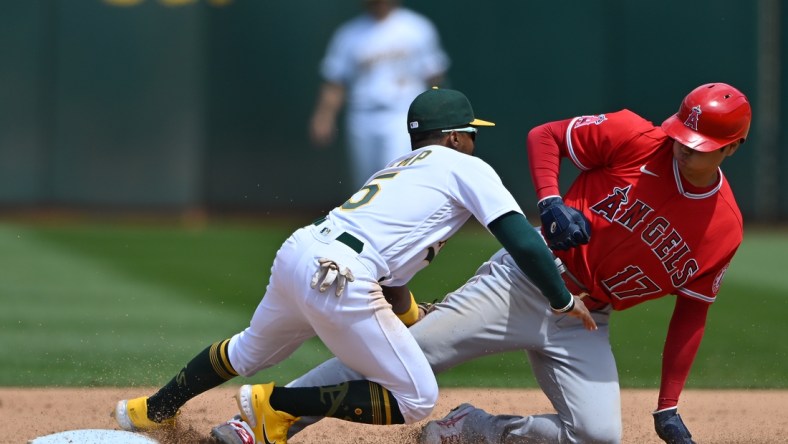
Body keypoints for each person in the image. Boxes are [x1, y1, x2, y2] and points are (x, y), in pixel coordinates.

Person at [113, 87, 595, 444]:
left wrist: (411, 317)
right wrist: (562, 299)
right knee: (416, 399)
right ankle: (274, 408)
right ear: (453, 137)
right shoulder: (465, 166)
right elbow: (525, 244)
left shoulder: (398, 169)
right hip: (342, 273)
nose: (474, 143)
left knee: (245, 352)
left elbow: (394, 284)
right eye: (470, 135)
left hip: (302, 252)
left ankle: (151, 410)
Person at [282, 82, 752, 444]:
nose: (683, 147)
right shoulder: (637, 137)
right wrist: (549, 201)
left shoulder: (723, 230)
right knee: (395, 358)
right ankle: (270, 417)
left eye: (700, 145)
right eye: (681, 135)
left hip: (586, 319)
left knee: (597, 436)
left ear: (733, 148)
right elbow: (545, 136)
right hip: (524, 281)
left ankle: (472, 428)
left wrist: (667, 405)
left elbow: (692, 314)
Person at [309, 0, 450, 190]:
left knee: (396, 176)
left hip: (403, 113)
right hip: (362, 113)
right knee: (365, 183)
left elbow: (434, 76)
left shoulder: (417, 27)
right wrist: (324, 115)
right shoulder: (349, 34)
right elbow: (336, 81)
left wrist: (439, 115)